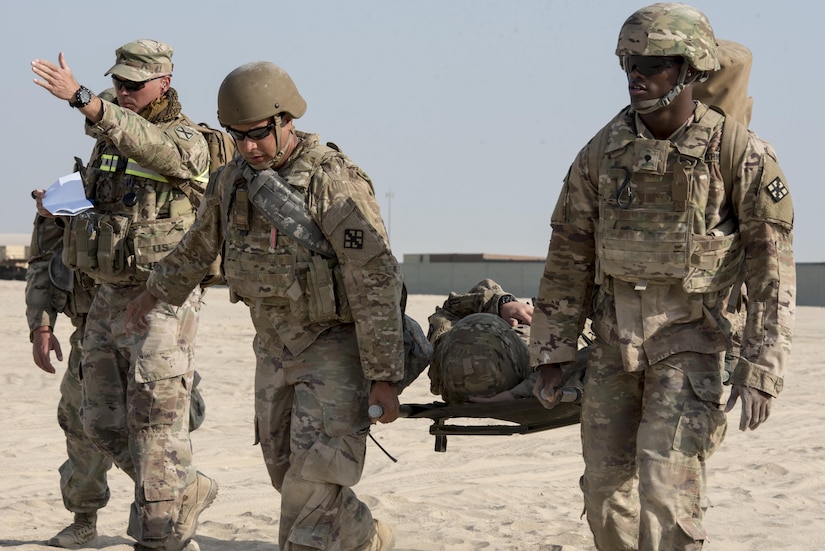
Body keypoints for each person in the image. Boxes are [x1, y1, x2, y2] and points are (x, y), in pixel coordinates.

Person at [529, 4, 795, 550]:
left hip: (692, 345)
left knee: (666, 489)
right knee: (604, 491)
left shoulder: (739, 155)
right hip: (612, 349)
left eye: (653, 63)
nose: (637, 74)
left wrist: (761, 367)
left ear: (691, 69)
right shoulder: (601, 153)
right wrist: (552, 353)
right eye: (629, 61)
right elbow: (567, 257)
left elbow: (772, 269)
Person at [124, 61, 403, 551]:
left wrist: (383, 375)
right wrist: (153, 293)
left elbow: (375, 279)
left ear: (286, 120)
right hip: (272, 347)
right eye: (238, 136)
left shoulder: (331, 180)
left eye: (258, 135)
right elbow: (197, 245)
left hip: (332, 347)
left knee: (311, 482)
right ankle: (363, 536)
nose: (249, 147)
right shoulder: (232, 180)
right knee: (284, 470)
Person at [31, 39, 217, 551]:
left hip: (162, 297)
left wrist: (85, 99)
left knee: (156, 424)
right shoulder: (107, 142)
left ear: (165, 83)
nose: (124, 91)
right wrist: (63, 206)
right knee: (100, 422)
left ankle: (160, 533)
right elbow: (107, 203)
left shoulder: (189, 138)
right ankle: (186, 492)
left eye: (134, 84)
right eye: (118, 82)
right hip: (109, 297)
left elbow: (151, 147)